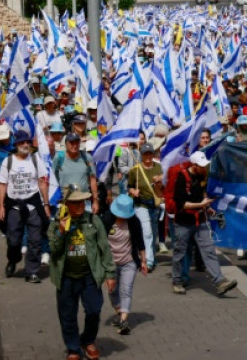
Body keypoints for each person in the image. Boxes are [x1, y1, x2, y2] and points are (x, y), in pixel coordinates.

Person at [47, 189, 116, 360]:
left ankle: (88, 340)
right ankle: (73, 348)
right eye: (76, 202)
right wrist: (61, 232)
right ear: (66, 204)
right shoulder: (56, 223)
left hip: (89, 276)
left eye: (82, 202)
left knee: (94, 310)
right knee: (67, 315)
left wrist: (110, 274)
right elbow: (53, 250)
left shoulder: (93, 220)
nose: (80, 205)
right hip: (66, 278)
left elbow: (104, 248)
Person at [170, 151, 238, 296]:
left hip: (200, 221)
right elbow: (182, 204)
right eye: (201, 166)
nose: (204, 168)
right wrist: (201, 204)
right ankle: (177, 281)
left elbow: (202, 193)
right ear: (194, 166)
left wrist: (207, 207)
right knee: (180, 253)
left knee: (209, 251)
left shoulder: (201, 176)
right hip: (183, 223)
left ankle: (220, 281)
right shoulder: (182, 178)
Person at [0, 130, 49, 282]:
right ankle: (13, 260)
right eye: (22, 142)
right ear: (16, 144)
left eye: (27, 142)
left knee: (35, 239)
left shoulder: (35, 160)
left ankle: (31, 271)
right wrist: (1, 206)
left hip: (33, 204)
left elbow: (42, 182)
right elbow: (2, 185)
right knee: (13, 240)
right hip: (14, 206)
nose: (25, 144)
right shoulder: (8, 162)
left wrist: (45, 204)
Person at [101, 194, 148, 336]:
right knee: (112, 291)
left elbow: (140, 243)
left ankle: (123, 321)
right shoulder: (106, 219)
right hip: (111, 264)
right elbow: (100, 244)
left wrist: (144, 261)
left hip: (129, 262)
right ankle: (120, 311)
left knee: (126, 291)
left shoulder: (134, 222)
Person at [127, 143, 163, 272]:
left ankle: (149, 253)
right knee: (147, 232)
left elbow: (164, 184)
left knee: (153, 232)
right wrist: (133, 191)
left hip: (155, 203)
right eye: (145, 154)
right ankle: (148, 261)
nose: (148, 156)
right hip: (140, 203)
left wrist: (160, 180)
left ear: (153, 154)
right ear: (141, 155)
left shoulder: (159, 167)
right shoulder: (135, 170)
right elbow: (129, 186)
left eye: (150, 153)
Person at [54, 132, 99, 213]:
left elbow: (92, 179)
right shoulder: (59, 157)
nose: (75, 145)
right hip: (66, 201)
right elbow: (54, 178)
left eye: (77, 142)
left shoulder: (86, 157)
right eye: (71, 143)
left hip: (84, 201)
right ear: (66, 144)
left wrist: (95, 201)